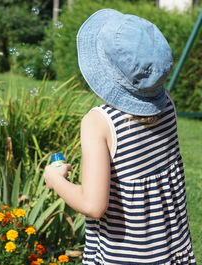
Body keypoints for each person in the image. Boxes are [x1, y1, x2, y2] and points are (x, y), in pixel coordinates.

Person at [43, 8, 196, 264]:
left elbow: (93, 205)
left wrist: (55, 179)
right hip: (169, 250)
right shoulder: (167, 102)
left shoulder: (99, 123)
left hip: (124, 255)